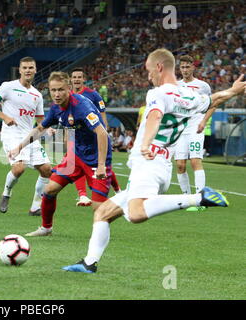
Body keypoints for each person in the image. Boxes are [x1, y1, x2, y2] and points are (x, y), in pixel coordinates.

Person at [62, 48, 245, 273]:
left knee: (136, 213)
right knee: (103, 212)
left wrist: (146, 143)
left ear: (159, 67)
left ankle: (197, 198)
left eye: (149, 71)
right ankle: (89, 262)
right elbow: (214, 99)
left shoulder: (157, 93)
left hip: (149, 160)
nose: (148, 76)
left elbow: (155, 117)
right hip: (161, 163)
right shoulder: (188, 96)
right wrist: (233, 91)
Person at [8, 71, 112, 237]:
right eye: (53, 90)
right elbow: (40, 128)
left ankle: (124, 204)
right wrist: (20, 147)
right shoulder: (56, 108)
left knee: (98, 208)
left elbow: (102, 133)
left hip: (95, 159)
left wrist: (101, 165)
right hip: (76, 156)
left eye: (60, 90)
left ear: (69, 88)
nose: (56, 94)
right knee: (49, 190)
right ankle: (46, 228)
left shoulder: (81, 107)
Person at [0, 56, 52, 216]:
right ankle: (6, 193)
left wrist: (47, 129)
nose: (28, 70)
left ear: (35, 70)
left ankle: (35, 207)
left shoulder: (37, 95)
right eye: (25, 67)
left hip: (30, 136)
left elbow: (40, 119)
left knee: (46, 170)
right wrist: (5, 117)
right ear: (20, 70)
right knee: (19, 168)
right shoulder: (8, 87)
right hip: (11, 134)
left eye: (31, 67)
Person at [70, 67, 120, 206]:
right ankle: (82, 195)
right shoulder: (67, 95)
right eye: (74, 77)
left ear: (84, 79)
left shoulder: (94, 95)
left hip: (94, 136)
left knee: (104, 164)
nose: (77, 79)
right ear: (71, 79)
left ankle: (119, 191)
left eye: (79, 77)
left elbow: (102, 114)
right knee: (75, 163)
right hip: (77, 135)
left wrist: (103, 131)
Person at [174, 55, 212, 212]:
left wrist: (203, 121)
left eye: (187, 67)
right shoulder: (176, 85)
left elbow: (213, 104)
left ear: (193, 67)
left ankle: (200, 200)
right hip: (181, 129)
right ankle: (187, 199)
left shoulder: (202, 86)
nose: (185, 70)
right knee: (180, 165)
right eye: (182, 67)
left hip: (195, 127)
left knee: (195, 161)